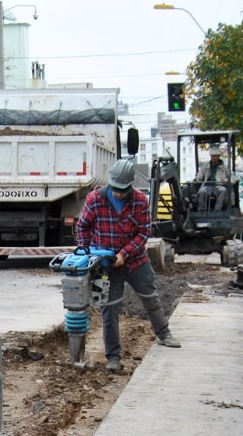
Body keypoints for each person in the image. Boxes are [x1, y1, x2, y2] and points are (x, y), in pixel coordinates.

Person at [74, 157, 181, 373]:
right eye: (115, 189)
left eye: (123, 190)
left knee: (150, 298)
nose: (119, 193)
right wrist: (86, 250)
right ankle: (113, 356)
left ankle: (164, 334)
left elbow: (144, 233)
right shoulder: (95, 199)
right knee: (110, 309)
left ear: (131, 185)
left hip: (136, 261)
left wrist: (124, 253)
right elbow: (83, 227)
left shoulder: (140, 201)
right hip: (107, 265)